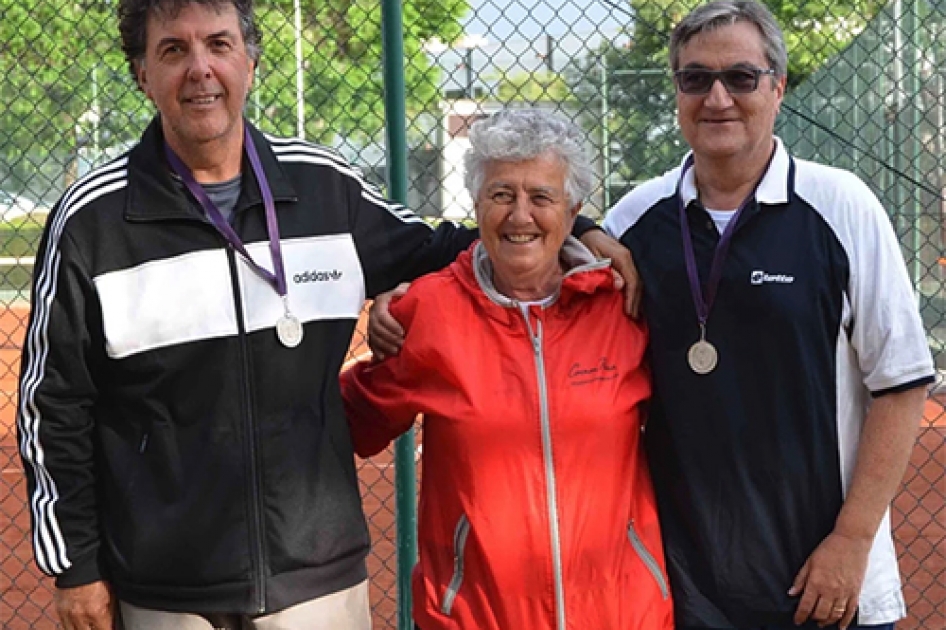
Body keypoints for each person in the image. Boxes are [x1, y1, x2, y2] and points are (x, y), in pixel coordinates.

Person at [369, 3, 935, 630]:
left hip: (825, 583)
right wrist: (407, 300)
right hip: (692, 591)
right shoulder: (636, 223)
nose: (717, 97)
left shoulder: (841, 206)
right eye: (695, 79)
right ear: (677, 94)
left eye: (741, 77)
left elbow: (902, 383)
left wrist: (853, 540)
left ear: (777, 86)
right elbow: (536, 244)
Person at [14, 0, 483, 628]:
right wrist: (75, 567)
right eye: (173, 50)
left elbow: (442, 249)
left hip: (316, 577)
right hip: (163, 587)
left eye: (219, 44)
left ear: (251, 61)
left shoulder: (324, 187)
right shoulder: (93, 219)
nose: (200, 68)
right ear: (140, 74)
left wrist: (576, 231)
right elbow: (53, 405)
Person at [341, 109, 673, 630]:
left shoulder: (624, 306)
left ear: (574, 211)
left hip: (623, 613)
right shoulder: (430, 311)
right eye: (501, 195)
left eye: (541, 197)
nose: (520, 216)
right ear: (476, 205)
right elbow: (349, 424)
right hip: (475, 618)